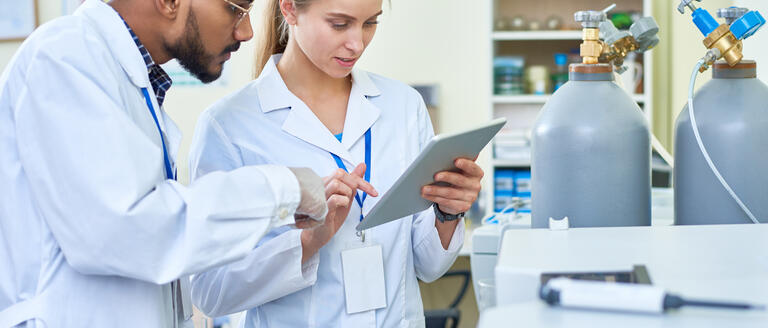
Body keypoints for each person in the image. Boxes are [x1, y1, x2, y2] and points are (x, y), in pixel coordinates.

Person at [0, 0, 374, 326]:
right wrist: (285, 190)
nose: (246, 31)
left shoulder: (129, 80)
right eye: (235, 7)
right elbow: (127, 230)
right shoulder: (65, 56)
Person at [187, 0, 484, 326]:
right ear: (289, 9)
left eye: (371, 22)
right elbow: (210, 292)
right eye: (339, 24)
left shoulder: (404, 107)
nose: (357, 43)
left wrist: (448, 212)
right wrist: (307, 242)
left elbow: (428, 266)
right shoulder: (229, 126)